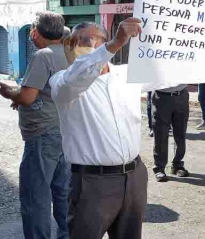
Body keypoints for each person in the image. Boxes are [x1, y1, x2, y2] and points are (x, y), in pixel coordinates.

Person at [50, 18, 164, 239]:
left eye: (89, 39)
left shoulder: (126, 74)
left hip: (134, 177)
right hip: (91, 184)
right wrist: (113, 45)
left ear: (102, 41)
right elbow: (78, 76)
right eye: (74, 41)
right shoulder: (62, 81)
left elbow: (169, 73)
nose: (80, 45)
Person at [0, 12, 70, 239]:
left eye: (31, 30)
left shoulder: (43, 56)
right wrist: (24, 98)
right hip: (65, 131)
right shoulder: (70, 54)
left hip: (43, 135)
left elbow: (27, 97)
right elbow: (46, 93)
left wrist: (9, 93)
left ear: (36, 32)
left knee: (35, 195)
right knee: (63, 192)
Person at [151, 83, 191, 182]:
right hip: (162, 96)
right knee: (161, 133)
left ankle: (177, 165)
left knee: (180, 132)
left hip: (182, 95)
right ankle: (159, 168)